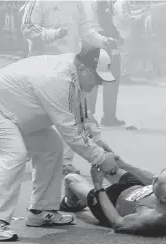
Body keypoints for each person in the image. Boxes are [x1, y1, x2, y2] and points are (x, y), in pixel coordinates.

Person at [0, 45, 119, 241]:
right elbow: (70, 130)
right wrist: (100, 158)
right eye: (97, 77)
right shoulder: (57, 78)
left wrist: (98, 141)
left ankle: (42, 210)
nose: (99, 83)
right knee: (14, 155)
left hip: (22, 113)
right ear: (83, 68)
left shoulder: (75, 76)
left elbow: (82, 115)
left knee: (52, 147)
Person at [21, 0, 120, 175]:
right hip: (43, 67)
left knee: (74, 115)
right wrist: (52, 34)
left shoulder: (76, 3)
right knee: (39, 114)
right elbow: (27, 27)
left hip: (69, 66)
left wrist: (103, 41)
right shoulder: (38, 2)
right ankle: (26, 147)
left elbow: (85, 30)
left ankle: (65, 163)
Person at [60, 160, 166, 234]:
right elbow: (150, 180)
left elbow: (117, 223)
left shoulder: (149, 217)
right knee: (104, 160)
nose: (155, 177)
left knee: (70, 178)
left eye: (158, 180)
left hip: (111, 201)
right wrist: (120, 162)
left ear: (164, 198)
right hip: (136, 186)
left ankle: (71, 203)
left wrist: (98, 186)